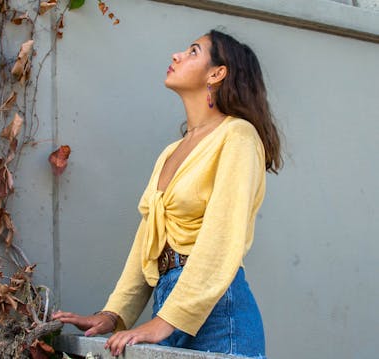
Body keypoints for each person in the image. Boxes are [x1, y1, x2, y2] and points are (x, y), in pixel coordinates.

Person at [53, 29, 282, 358]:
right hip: (169, 306)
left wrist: (165, 321)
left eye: (192, 51)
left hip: (218, 315)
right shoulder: (171, 152)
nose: (176, 55)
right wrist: (114, 314)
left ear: (217, 73)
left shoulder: (238, 136)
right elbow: (148, 242)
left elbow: (222, 237)